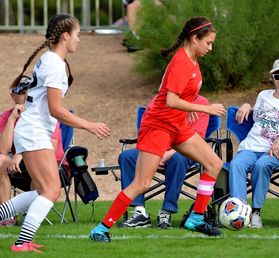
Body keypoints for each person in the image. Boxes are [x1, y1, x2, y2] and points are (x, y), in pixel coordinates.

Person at [90, 16, 226, 242]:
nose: (210, 48)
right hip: (158, 126)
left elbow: (179, 95)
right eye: (208, 43)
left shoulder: (192, 59)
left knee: (214, 163)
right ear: (194, 38)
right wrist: (205, 108)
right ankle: (101, 229)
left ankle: (197, 218)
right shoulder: (181, 62)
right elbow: (171, 100)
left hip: (177, 125)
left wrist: (189, 106)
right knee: (142, 183)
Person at [0, 14, 110, 253]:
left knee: (43, 191)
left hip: (32, 130)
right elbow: (56, 109)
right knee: (51, 190)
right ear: (65, 36)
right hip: (34, 131)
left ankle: (15, 231)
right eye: (77, 35)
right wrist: (90, 125)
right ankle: (21, 243)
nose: (79, 40)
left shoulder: (49, 60)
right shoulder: (54, 64)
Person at [228, 58, 279, 228]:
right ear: (273, 78)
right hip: (252, 146)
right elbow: (256, 116)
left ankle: (256, 213)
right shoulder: (263, 95)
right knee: (236, 164)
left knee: (262, 165)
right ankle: (240, 212)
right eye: (278, 76)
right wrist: (245, 105)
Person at [119, 95, 209, 229]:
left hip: (184, 152)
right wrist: (157, 152)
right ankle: (140, 212)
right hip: (157, 147)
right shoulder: (159, 100)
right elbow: (147, 130)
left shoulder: (200, 103)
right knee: (127, 156)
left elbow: (198, 137)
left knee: (178, 159)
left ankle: (166, 212)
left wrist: (167, 153)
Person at [0, 76, 29, 226]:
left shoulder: (41, 114)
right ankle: (7, 215)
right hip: (14, 166)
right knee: (0, 160)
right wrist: (12, 119)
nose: (26, 95)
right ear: (13, 95)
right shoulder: (6, 117)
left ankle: (29, 215)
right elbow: (3, 150)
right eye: (22, 92)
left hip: (38, 162)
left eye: (28, 91)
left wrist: (20, 154)